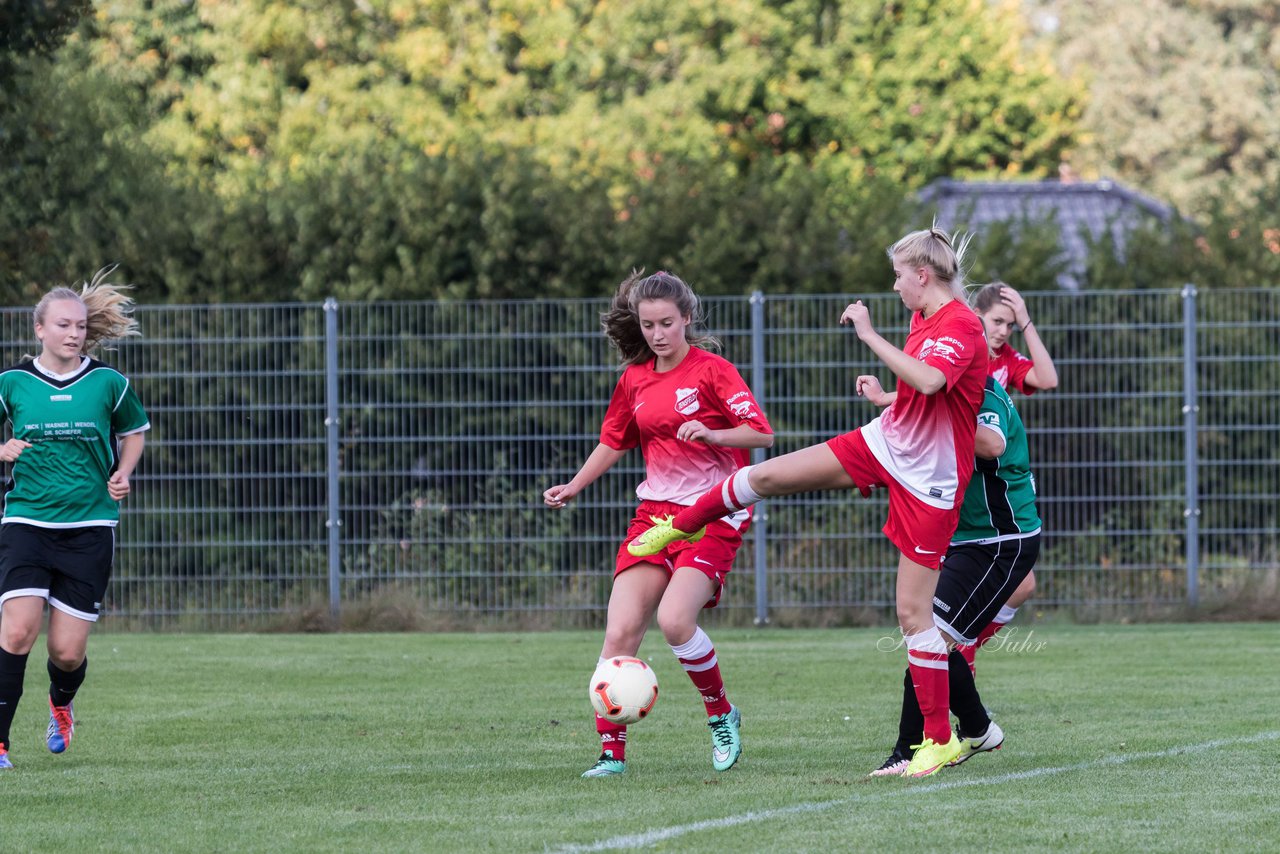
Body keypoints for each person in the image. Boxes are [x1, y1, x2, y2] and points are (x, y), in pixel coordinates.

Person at [629, 228, 988, 777]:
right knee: (769, 476)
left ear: (923, 275)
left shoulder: (960, 322)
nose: (894, 286)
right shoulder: (924, 319)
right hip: (886, 442)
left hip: (931, 482)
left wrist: (868, 333)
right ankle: (680, 525)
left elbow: (936, 381)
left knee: (913, 614)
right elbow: (928, 393)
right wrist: (886, 398)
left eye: (898, 275)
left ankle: (940, 740)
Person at [543, 270, 773, 778]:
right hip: (656, 516)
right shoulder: (634, 379)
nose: (657, 333)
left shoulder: (713, 371)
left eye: (666, 322)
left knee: (674, 622)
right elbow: (613, 441)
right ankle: (611, 757)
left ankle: (721, 716)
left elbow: (761, 435)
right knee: (620, 633)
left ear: (686, 319)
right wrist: (575, 485)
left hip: (713, 513)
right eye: (647, 324)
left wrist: (713, 434)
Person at [0, 270, 149, 770]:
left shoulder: (108, 382)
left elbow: (133, 433)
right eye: (64, 325)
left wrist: (123, 473)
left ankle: (60, 705)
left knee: (65, 652)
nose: (74, 333)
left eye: (81, 326)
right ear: (38, 329)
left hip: (90, 528)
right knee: (17, 631)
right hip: (27, 523)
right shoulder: (12, 383)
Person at [869, 376, 1042, 776]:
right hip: (967, 539)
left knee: (931, 642)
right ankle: (979, 729)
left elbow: (992, 443)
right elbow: (931, 397)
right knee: (933, 643)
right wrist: (887, 398)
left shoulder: (984, 393)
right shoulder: (953, 391)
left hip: (998, 541)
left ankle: (908, 751)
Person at [955, 282, 1059, 671]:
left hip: (994, 484)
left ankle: (964, 651)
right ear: (976, 315)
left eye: (1010, 325)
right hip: (964, 481)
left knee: (1024, 584)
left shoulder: (1005, 361)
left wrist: (1027, 321)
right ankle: (950, 655)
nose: (1002, 331)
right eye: (997, 321)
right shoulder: (962, 353)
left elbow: (1047, 380)